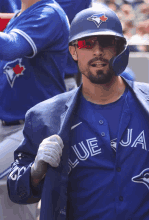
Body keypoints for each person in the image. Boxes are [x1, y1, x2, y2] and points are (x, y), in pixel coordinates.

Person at [7, 7, 149, 220]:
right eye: (87, 43)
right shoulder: (45, 117)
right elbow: (16, 190)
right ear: (73, 51)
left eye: (107, 42)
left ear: (120, 49)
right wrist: (34, 173)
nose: (97, 51)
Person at [0, 0, 70, 219]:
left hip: (32, 129)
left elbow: (11, 47)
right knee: (11, 203)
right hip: (9, 124)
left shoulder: (48, 13)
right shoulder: (19, 16)